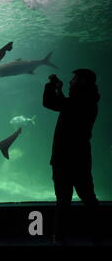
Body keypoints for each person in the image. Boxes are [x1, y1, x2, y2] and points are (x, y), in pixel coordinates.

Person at [43, 69, 100, 244]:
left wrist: (50, 86)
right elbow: (62, 103)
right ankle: (99, 234)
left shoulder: (77, 103)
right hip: (80, 157)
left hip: (64, 159)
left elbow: (49, 102)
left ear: (82, 83)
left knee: (63, 200)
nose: (70, 82)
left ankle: (59, 238)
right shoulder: (89, 102)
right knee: (88, 197)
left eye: (74, 79)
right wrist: (58, 88)